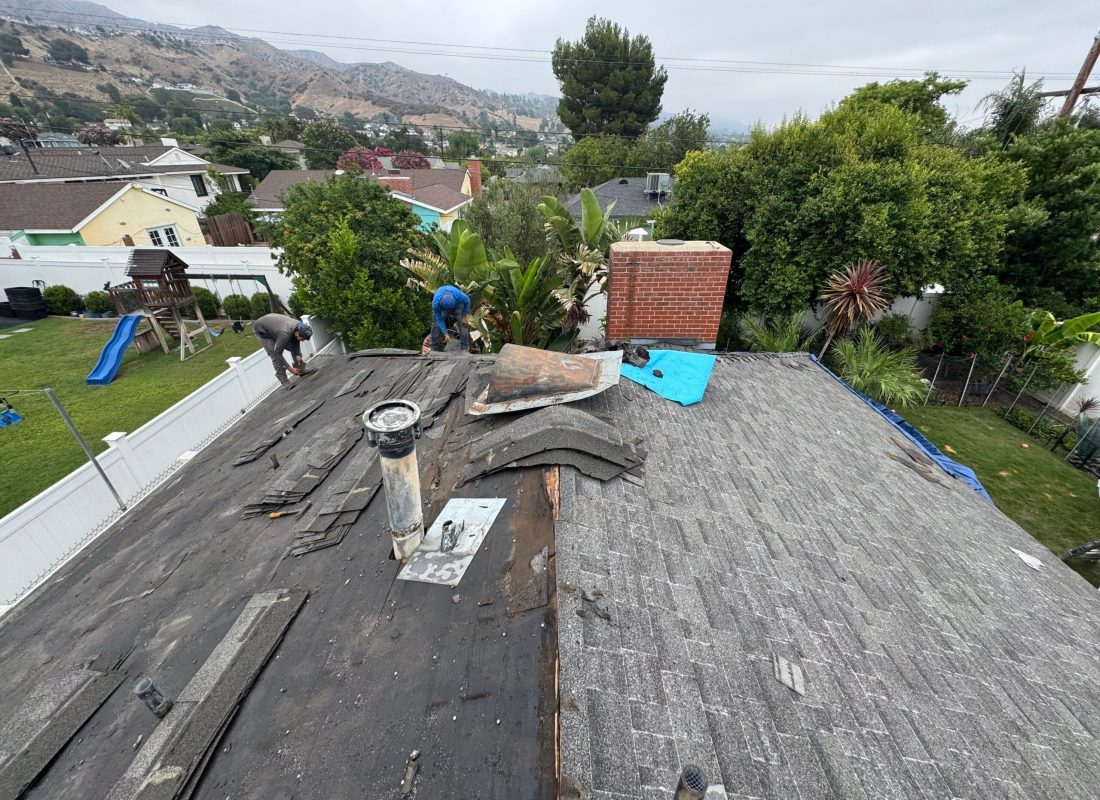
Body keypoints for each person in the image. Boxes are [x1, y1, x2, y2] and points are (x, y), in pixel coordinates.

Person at [254, 313, 313, 387]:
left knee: (294, 349)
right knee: (274, 355)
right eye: (303, 338)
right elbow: (278, 353)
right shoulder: (284, 333)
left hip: (274, 326)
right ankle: (284, 381)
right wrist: (290, 369)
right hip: (263, 331)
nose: (303, 340)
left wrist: (298, 354)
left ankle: (301, 370)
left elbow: (295, 341)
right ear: (297, 333)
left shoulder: (299, 325)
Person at [431, 285, 471, 352]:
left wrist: (464, 316)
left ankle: (464, 348)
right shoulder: (436, 303)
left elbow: (467, 301)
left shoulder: (459, 295)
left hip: (457, 306)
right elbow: (439, 319)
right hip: (443, 309)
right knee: (436, 323)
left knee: (462, 324)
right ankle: (434, 348)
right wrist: (445, 334)